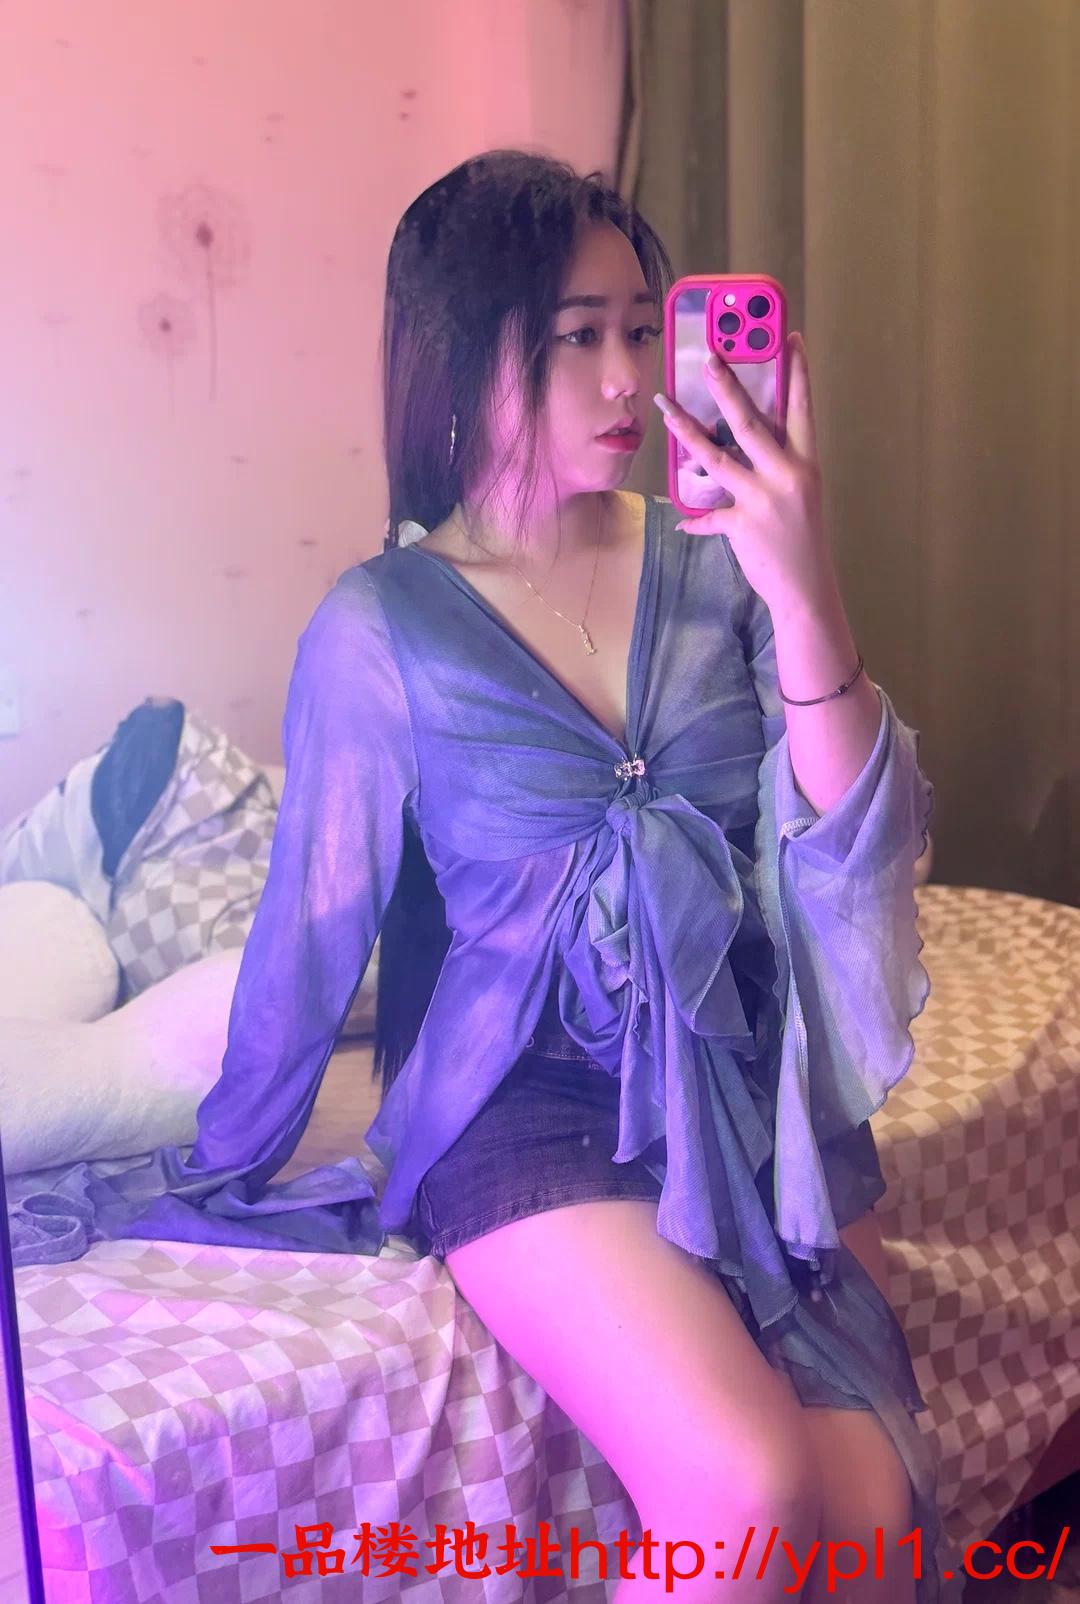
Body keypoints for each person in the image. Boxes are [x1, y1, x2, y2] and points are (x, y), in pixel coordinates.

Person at [16, 150, 957, 1600]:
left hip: (748, 1087)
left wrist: (806, 580)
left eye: (640, 327)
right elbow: (312, 934)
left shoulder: (720, 564)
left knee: (870, 1515)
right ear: (464, 352)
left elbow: (852, 851)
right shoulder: (381, 627)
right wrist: (231, 1151)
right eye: (575, 336)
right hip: (529, 1105)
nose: (626, 377)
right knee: (745, 1486)